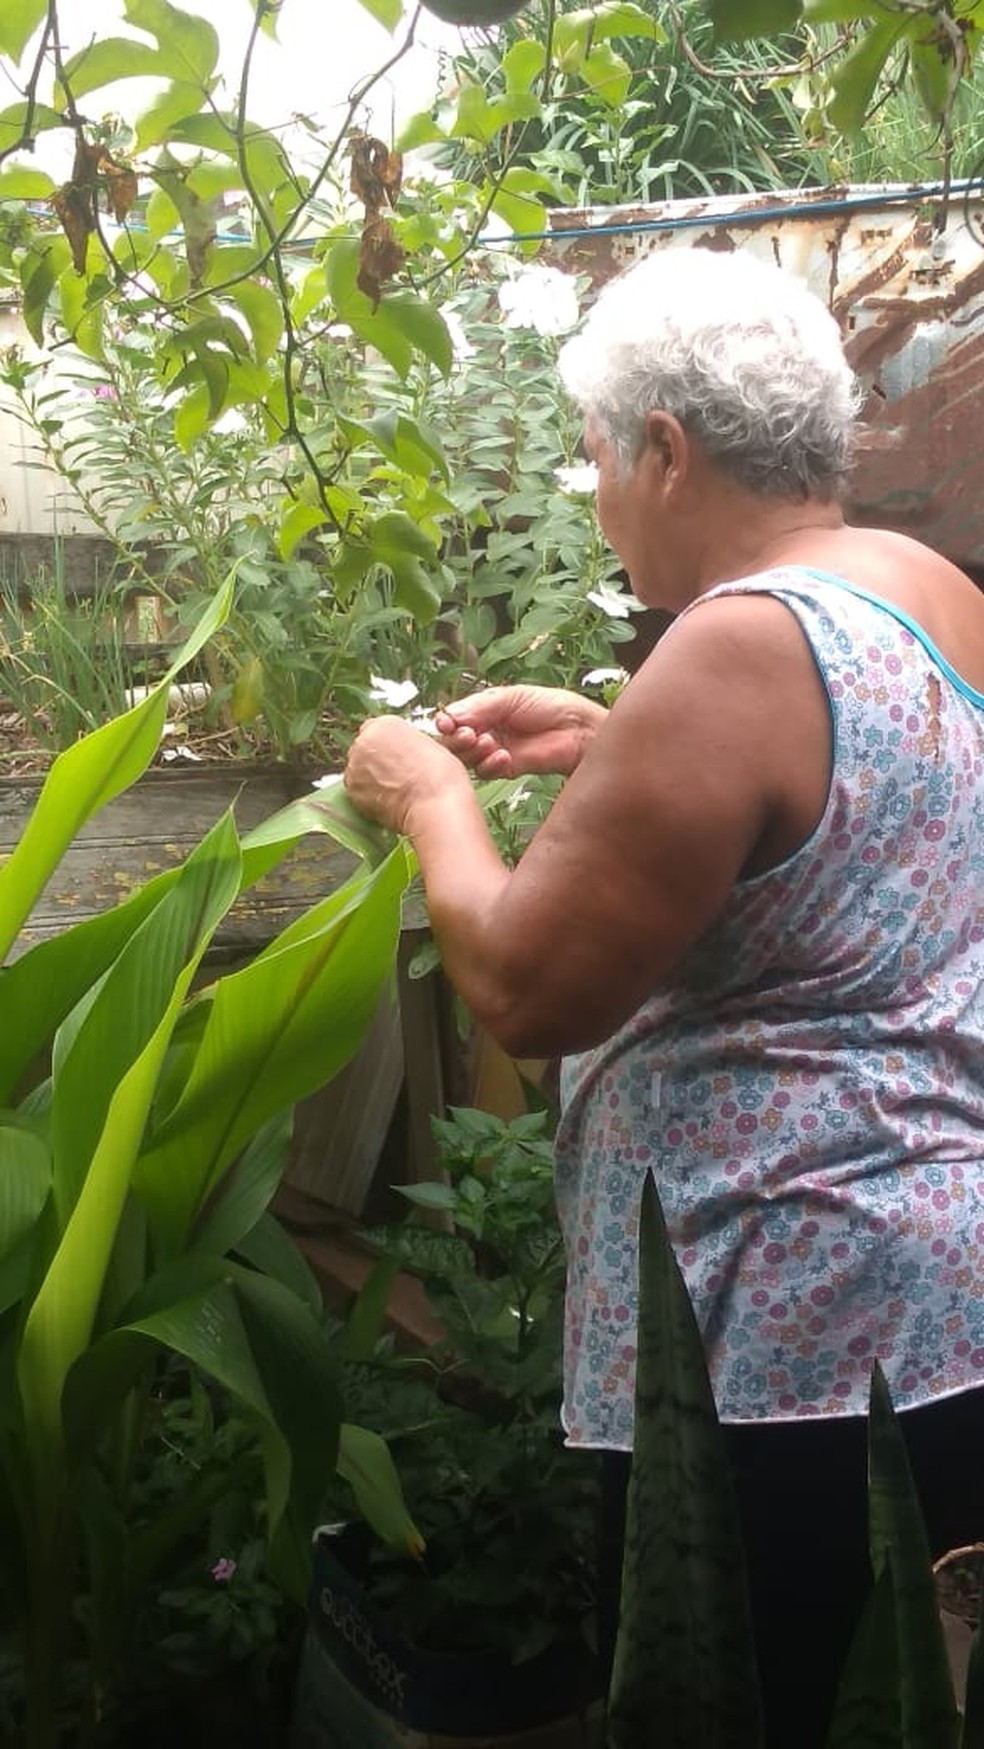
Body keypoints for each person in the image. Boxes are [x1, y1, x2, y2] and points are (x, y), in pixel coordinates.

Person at [343, 245, 984, 1744]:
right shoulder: (930, 591)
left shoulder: (737, 645)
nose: (598, 500)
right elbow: (840, 823)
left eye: (595, 462)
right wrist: (616, 737)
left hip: (783, 1346)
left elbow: (524, 984)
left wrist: (429, 796)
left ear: (666, 450)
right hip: (947, 1311)